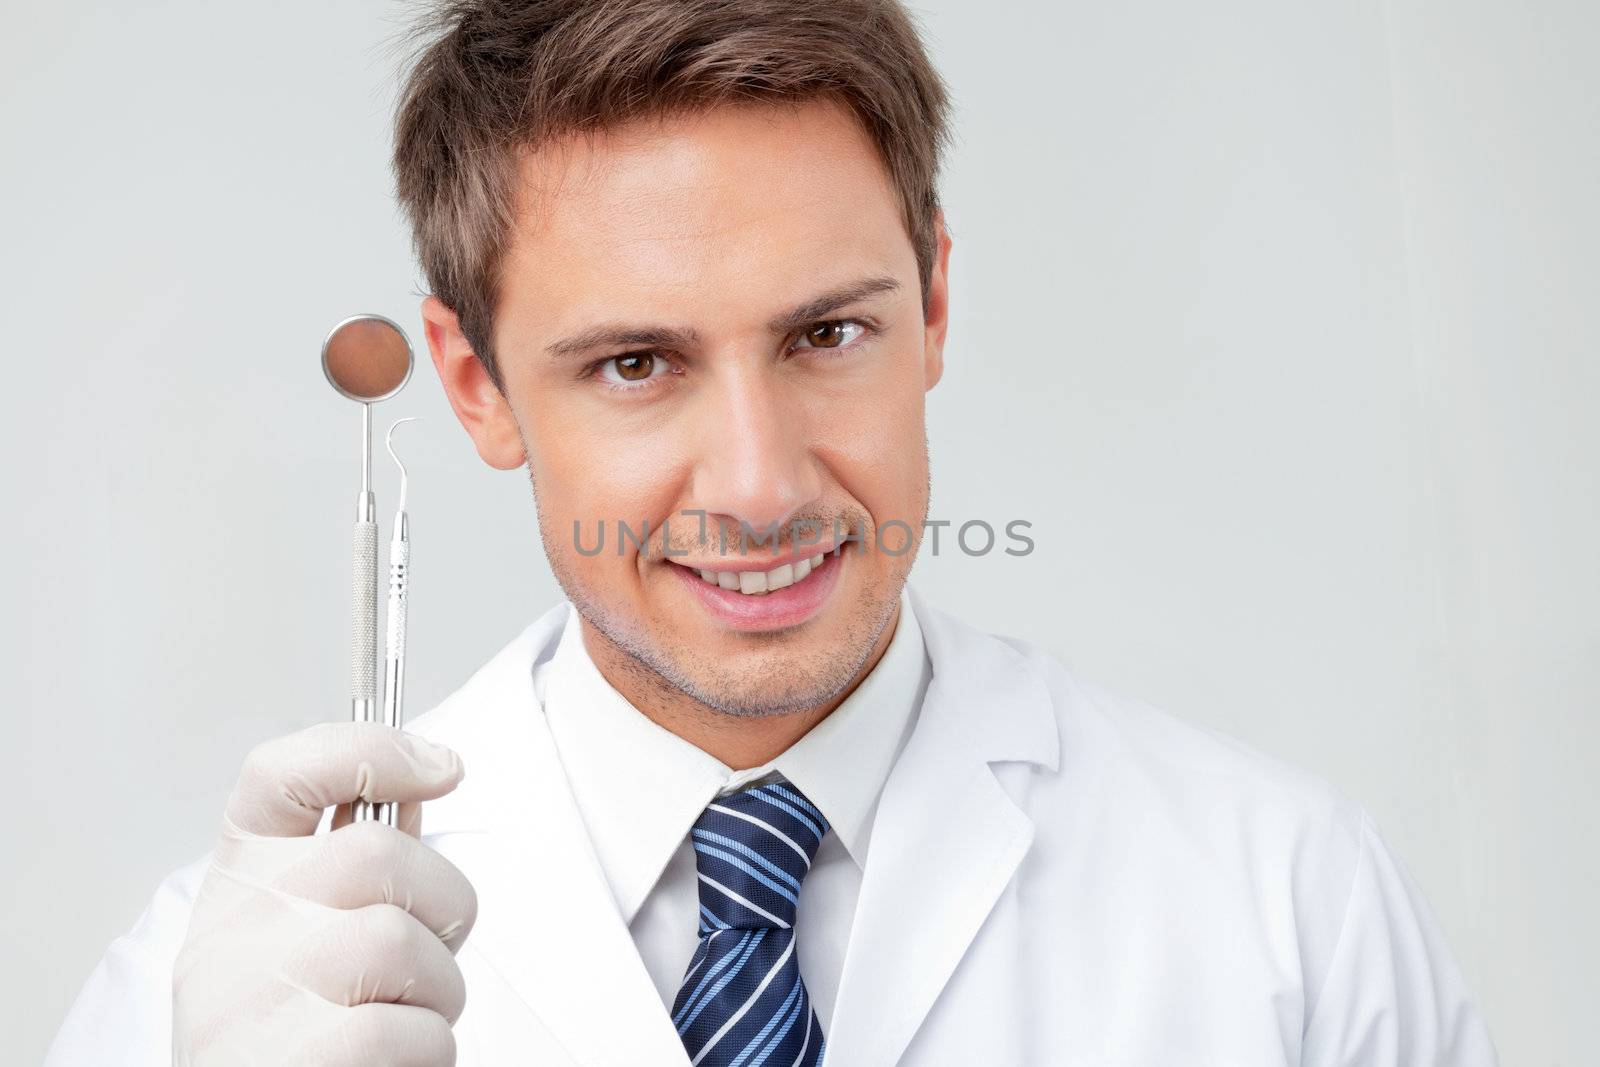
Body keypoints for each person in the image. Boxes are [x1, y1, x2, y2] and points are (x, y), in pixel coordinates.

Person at [45, 1, 1500, 1064]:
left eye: (825, 332)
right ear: (477, 385)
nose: (757, 485)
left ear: (932, 302)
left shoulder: (1285, 908)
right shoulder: (228, 991)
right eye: (635, 363)